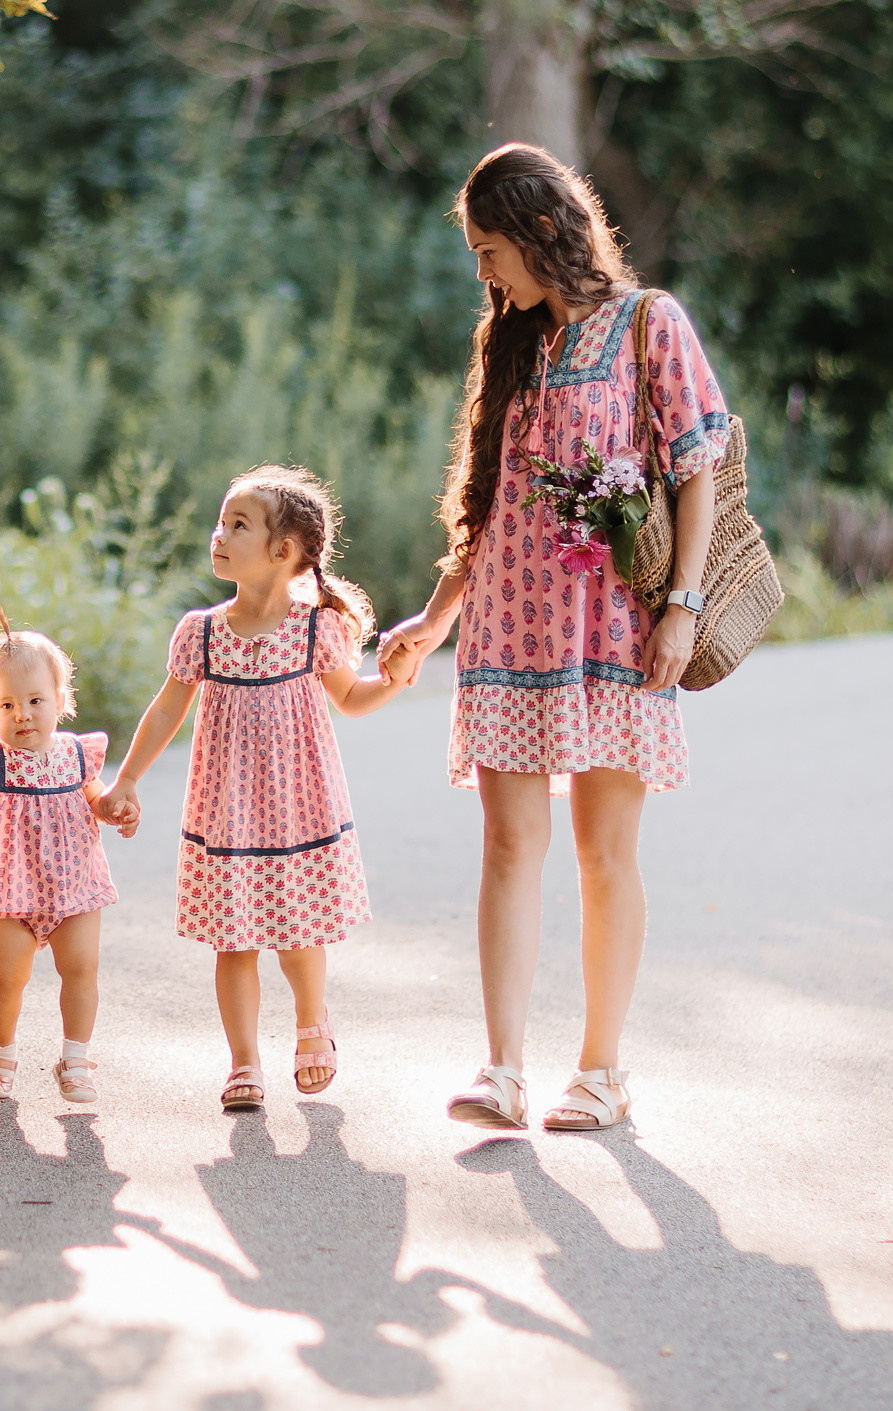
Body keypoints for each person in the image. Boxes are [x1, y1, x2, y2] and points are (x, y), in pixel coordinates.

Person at [375, 142, 729, 1134]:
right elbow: (485, 508)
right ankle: (501, 1069)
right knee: (505, 846)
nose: (482, 273)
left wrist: (684, 605)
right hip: (507, 631)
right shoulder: (511, 344)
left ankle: (601, 1071)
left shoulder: (648, 324)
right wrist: (430, 620)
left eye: (489, 251)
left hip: (615, 631)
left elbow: (695, 467)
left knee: (603, 853)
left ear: (539, 233)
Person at [96, 465, 414, 1112]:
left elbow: (352, 698)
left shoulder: (315, 630)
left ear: (284, 551)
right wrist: (126, 779)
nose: (219, 533)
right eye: (221, 520)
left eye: (238, 524)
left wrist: (399, 679)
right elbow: (165, 710)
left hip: (300, 808)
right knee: (233, 939)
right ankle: (244, 1061)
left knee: (300, 934)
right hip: (227, 813)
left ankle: (311, 1021)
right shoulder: (202, 631)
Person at [0, 612, 127, 1108]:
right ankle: (1, 1056)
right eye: (7, 704)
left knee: (82, 968)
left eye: (36, 701)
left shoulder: (78, 755)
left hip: (74, 885)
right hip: (9, 887)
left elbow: (97, 800)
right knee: (7, 977)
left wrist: (116, 808)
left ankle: (75, 1059)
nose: (23, 714)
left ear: (60, 701)